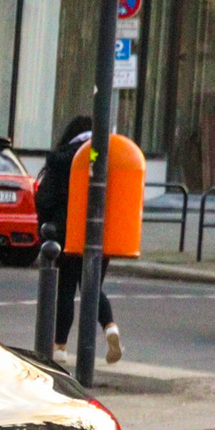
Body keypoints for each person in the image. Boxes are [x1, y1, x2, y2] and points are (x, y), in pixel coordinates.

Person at [35, 114, 122, 365]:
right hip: (100, 233)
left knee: (65, 289)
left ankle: (60, 347)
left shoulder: (62, 158)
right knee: (91, 287)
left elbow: (45, 197)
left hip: (67, 232)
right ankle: (110, 327)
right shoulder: (103, 155)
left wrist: (46, 223)